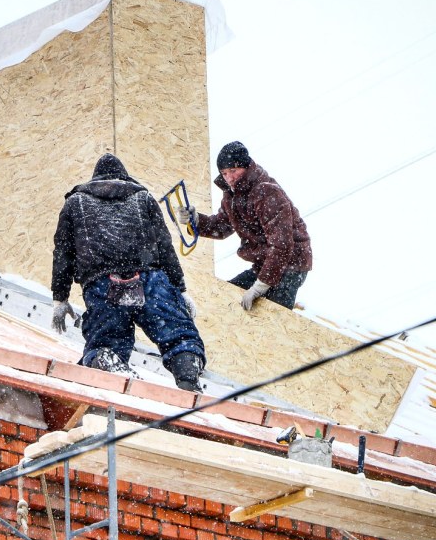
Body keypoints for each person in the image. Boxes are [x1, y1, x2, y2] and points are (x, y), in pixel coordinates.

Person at [50, 153, 207, 392]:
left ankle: (107, 360)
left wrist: (60, 298)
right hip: (148, 279)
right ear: (124, 176)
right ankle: (187, 371)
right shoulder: (142, 198)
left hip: (103, 283)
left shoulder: (75, 203)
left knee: (107, 338)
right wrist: (180, 288)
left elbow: (63, 254)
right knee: (176, 332)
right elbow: (165, 246)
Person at [177, 141, 312, 311]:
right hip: (264, 263)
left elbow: (282, 245)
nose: (229, 178)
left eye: (233, 170)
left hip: (290, 264)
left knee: (273, 319)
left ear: (247, 166)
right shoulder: (232, 196)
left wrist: (260, 286)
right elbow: (222, 226)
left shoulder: (267, 193)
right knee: (229, 303)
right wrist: (195, 220)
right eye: (224, 173)